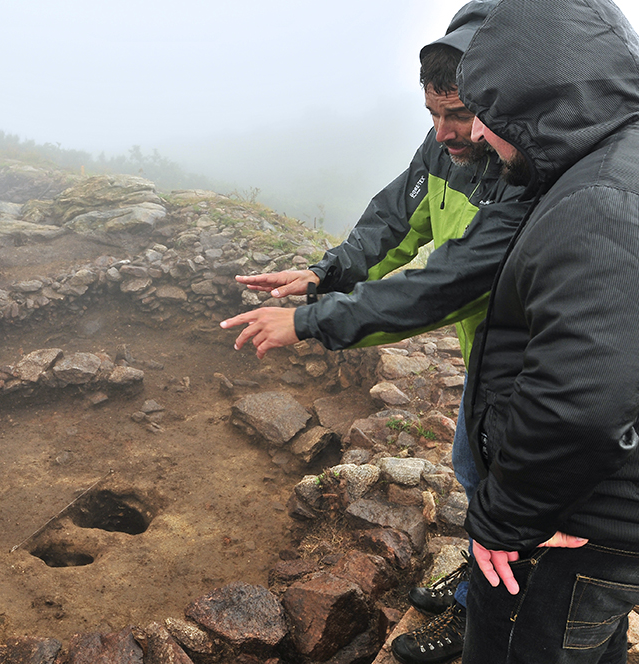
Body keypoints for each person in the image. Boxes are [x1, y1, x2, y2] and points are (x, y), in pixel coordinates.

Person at [220, 3, 529, 662]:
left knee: (519, 505)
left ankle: (486, 622)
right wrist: (322, 275)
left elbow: (447, 285)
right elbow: (394, 220)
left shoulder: (520, 168)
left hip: (538, 371)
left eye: (459, 115)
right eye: (432, 115)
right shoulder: (447, 147)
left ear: (498, 104)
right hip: (488, 358)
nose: (444, 132)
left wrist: (308, 323)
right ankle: (480, 579)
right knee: (471, 470)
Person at [451, 0, 639, 662]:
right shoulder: (609, 166)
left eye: (486, 108)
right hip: (592, 509)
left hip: (576, 520)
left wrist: (504, 521)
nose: (475, 131)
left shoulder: (605, 201)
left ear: (536, 99)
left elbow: (582, 400)